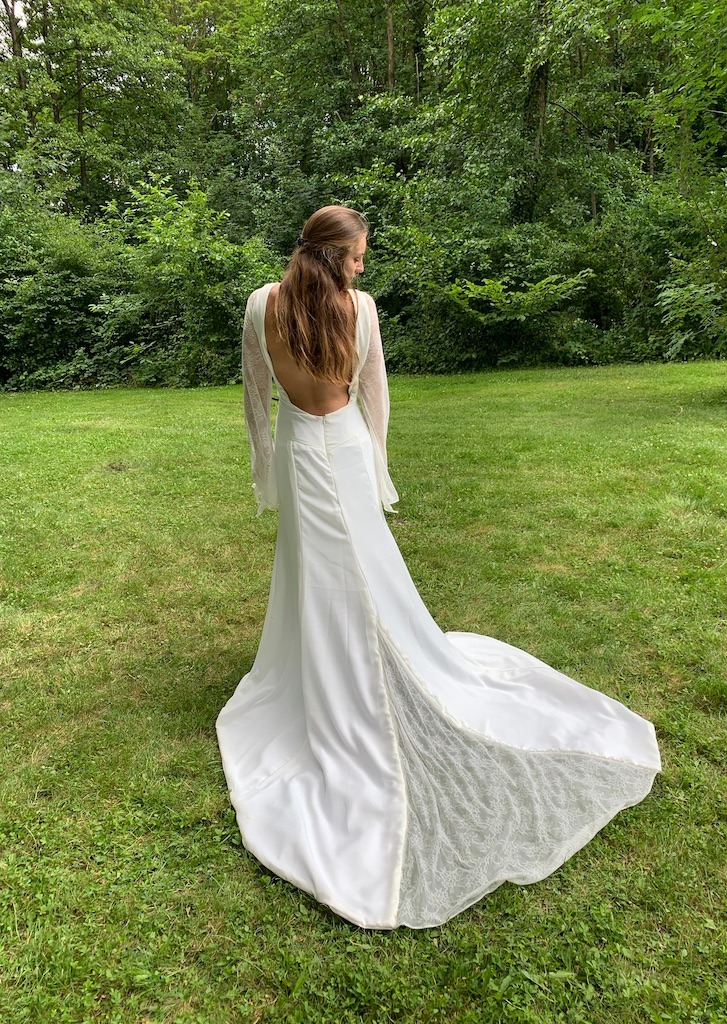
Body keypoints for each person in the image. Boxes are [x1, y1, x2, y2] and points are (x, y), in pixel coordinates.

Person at [216, 205, 661, 930]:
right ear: (336, 257)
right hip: (344, 455)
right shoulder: (358, 309)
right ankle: (354, 675)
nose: (364, 265)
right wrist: (378, 464)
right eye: (359, 254)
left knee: (332, 576)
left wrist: (267, 467)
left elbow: (255, 396)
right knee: (349, 575)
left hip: (302, 461)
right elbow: (373, 394)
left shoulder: (260, 303)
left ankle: (332, 665)